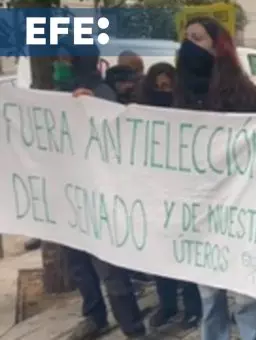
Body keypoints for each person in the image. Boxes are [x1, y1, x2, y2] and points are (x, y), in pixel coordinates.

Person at [174, 16, 256, 340]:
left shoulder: (245, 94)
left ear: (218, 45)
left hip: (241, 211)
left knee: (246, 299)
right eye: (186, 38)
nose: (189, 45)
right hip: (201, 213)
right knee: (210, 298)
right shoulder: (180, 93)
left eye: (198, 38)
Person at [53, 39, 153, 340]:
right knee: (80, 265)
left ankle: (133, 330)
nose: (59, 65)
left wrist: (92, 106)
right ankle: (94, 316)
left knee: (111, 272)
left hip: (102, 201)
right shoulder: (57, 94)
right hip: (71, 195)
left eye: (65, 60)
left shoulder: (103, 93)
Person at [133, 62, 202, 329]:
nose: (164, 91)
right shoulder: (142, 114)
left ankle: (193, 307)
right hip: (155, 194)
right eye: (159, 87)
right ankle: (168, 305)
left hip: (184, 194)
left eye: (168, 86)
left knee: (186, 253)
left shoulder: (187, 112)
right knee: (161, 255)